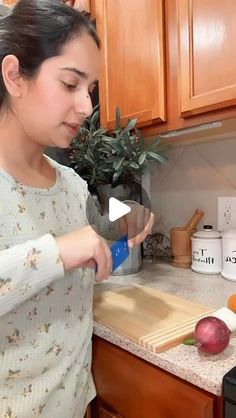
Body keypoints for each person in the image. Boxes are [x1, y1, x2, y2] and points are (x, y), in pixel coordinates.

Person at [0, 1, 154, 417]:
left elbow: (86, 271)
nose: (87, 108)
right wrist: (58, 251)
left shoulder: (70, 184)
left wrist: (120, 235)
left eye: (90, 90)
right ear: (14, 75)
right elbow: (63, 254)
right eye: (71, 84)